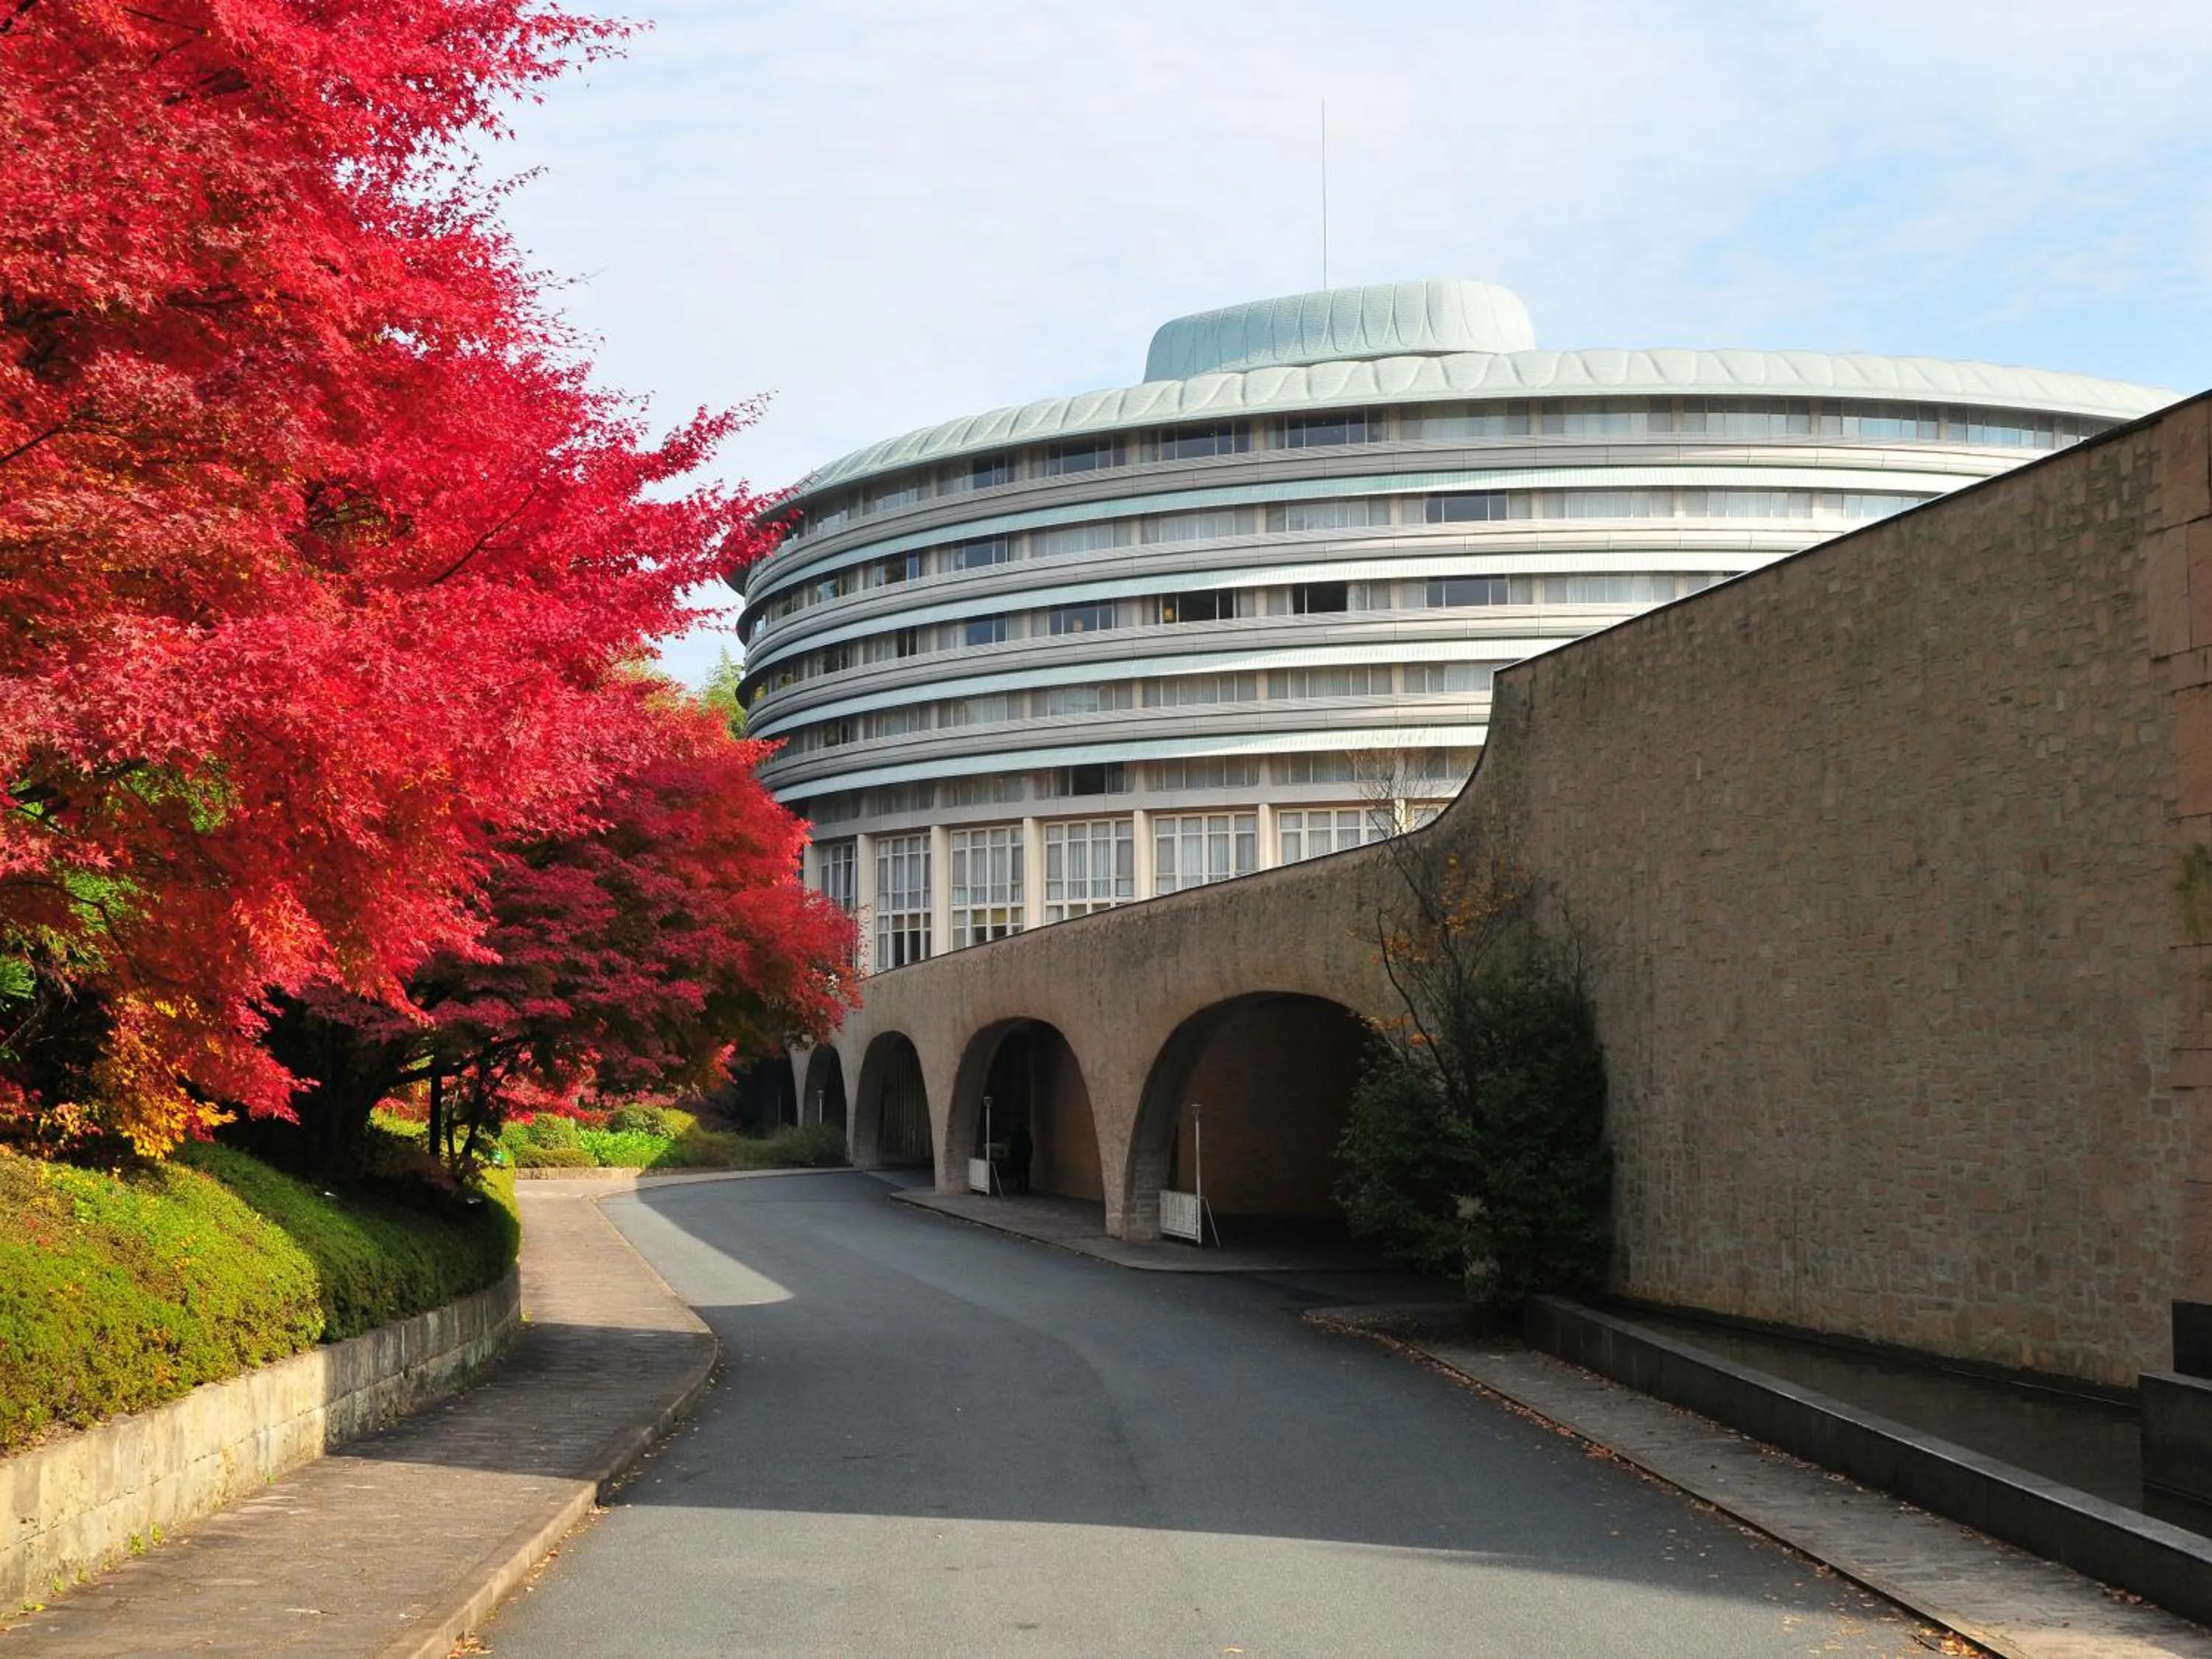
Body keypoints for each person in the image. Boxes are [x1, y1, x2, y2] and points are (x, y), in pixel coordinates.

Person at [1005, 1117, 1033, 1195]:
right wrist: (1030, 1155)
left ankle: (1019, 1187)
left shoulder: (1015, 1135)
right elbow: (1030, 1146)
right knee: (1026, 1172)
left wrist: (1011, 1156)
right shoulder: (1027, 1135)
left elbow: (1012, 1146)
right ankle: (1026, 1187)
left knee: (1018, 1172)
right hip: (1025, 1156)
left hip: (1017, 1156)